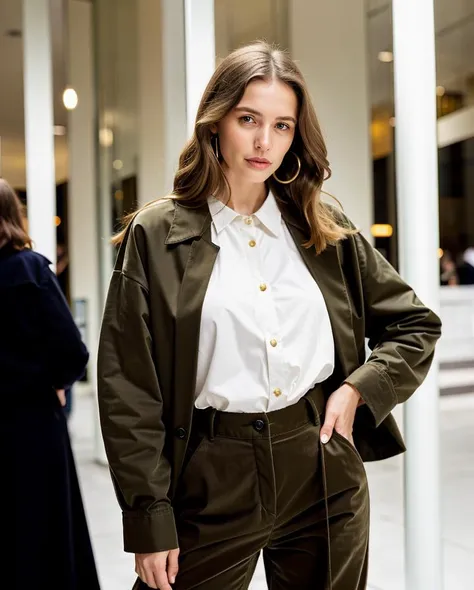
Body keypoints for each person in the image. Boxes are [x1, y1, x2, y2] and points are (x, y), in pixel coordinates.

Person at [97, 42, 442, 590]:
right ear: (216, 123)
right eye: (248, 119)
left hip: (323, 467)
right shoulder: (157, 235)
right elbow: (129, 388)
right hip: (213, 474)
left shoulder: (321, 223)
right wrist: (148, 517)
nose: (264, 142)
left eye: (282, 126)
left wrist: (357, 391)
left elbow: (415, 324)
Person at [0, 179, 101, 590]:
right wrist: (56, 384)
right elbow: (72, 351)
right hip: (33, 423)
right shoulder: (28, 270)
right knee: (46, 530)